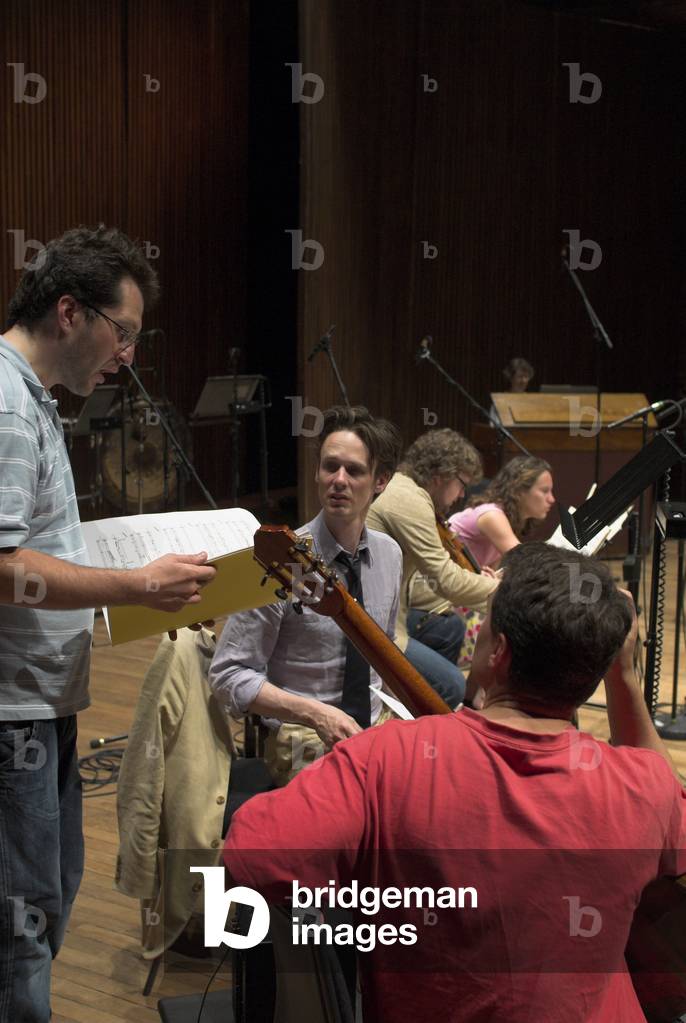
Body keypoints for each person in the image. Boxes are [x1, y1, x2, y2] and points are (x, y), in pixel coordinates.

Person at [224, 543, 685, 1023]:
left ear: (498, 652)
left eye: (483, 624)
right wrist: (624, 675)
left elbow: (250, 858)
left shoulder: (385, 760)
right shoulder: (645, 785)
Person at [0, 226, 217, 1023]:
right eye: (122, 333)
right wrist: (131, 582)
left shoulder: (29, 400)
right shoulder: (6, 406)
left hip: (38, 705)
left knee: (45, 903)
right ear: (68, 312)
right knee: (21, 928)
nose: (126, 356)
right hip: (9, 716)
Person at [209, 405, 403, 786]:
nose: (339, 480)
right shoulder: (279, 560)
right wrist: (316, 714)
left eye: (355, 471)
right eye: (330, 466)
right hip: (304, 737)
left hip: (374, 728)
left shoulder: (389, 554)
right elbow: (228, 674)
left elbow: (385, 649)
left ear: (380, 481)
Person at [366, 428, 496, 708]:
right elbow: (446, 581)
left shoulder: (407, 490)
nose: (462, 494)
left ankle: (420, 705)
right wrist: (503, 590)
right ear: (442, 475)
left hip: (391, 611)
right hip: (374, 625)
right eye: (462, 484)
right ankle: (422, 724)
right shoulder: (407, 500)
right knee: (451, 684)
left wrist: (471, 584)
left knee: (448, 628)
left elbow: (420, 583)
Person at [449, 455, 555, 570]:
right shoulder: (492, 515)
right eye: (545, 491)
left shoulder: (509, 519)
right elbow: (525, 562)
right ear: (519, 490)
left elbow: (493, 571)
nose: (552, 499)